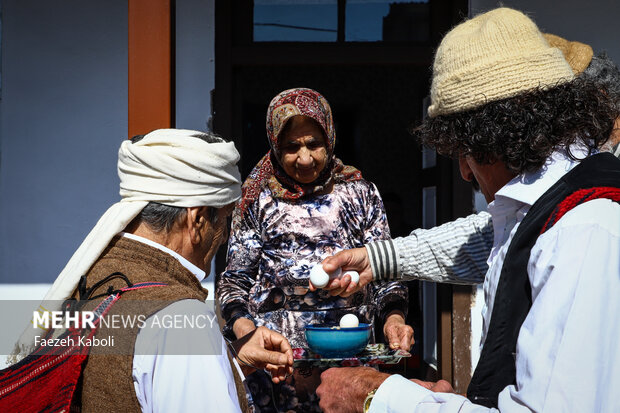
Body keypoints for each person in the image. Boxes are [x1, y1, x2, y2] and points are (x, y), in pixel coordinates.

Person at [315, 8, 620, 412]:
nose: (463, 172)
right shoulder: (548, 213)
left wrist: (378, 396)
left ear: (499, 136)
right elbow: (487, 240)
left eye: (465, 152)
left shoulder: (585, 232)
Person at [12, 129, 293, 412]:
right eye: (224, 219)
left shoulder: (95, 277)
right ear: (196, 221)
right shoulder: (182, 322)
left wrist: (229, 360)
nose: (223, 237)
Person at [216, 88, 411, 412]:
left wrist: (393, 317)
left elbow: (386, 272)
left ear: (330, 139)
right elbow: (234, 282)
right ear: (275, 145)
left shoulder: (359, 194)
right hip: (275, 370)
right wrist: (245, 330)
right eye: (292, 147)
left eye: (314, 144)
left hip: (349, 366)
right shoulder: (257, 201)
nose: (304, 158)